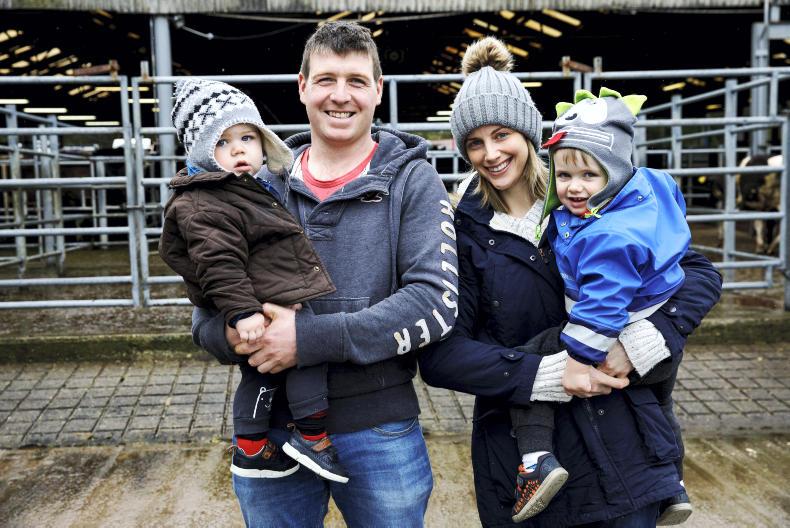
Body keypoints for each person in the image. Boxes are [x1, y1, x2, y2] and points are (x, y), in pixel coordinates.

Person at [419, 36, 722, 527]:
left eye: (502, 135)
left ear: (528, 133)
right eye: (474, 142)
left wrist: (645, 341)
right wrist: (546, 374)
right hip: (524, 450)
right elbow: (441, 357)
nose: (490, 153)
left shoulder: (595, 194)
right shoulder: (460, 230)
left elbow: (698, 273)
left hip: (621, 446)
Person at [191, 21, 458, 527]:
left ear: (378, 90)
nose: (340, 95)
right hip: (267, 429)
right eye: (326, 79)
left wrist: (307, 340)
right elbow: (203, 315)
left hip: (378, 426)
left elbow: (435, 303)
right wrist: (233, 333)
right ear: (302, 86)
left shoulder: (414, 181)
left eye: (356, 80)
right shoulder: (251, 185)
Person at [159, 78, 353, 483]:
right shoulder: (207, 201)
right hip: (255, 301)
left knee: (261, 372)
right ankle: (312, 436)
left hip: (259, 297)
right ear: (201, 152)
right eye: (222, 142)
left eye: (247, 137)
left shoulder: (242, 188)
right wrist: (243, 311)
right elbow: (219, 262)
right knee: (304, 354)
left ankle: (251, 447)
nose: (238, 150)